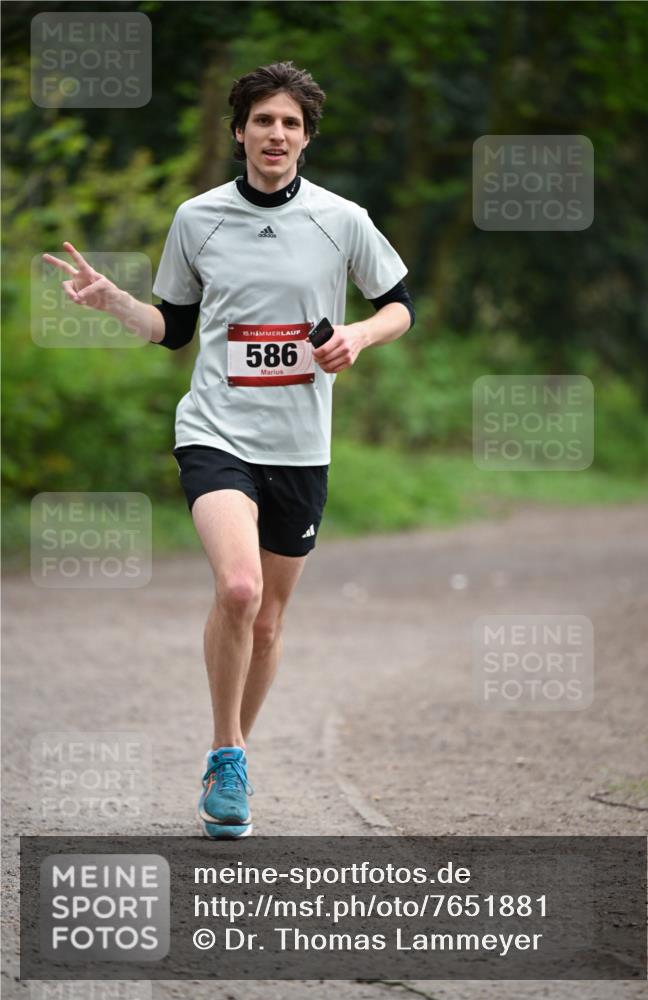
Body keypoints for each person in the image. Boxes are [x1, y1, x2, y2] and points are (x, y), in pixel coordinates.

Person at [42, 60, 415, 839]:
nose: (274, 134)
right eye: (261, 120)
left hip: (302, 444)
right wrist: (114, 301)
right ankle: (228, 751)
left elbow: (398, 305)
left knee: (270, 621)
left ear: (306, 138)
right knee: (239, 590)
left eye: (289, 123)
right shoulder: (197, 218)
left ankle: (226, 756)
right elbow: (172, 328)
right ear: (239, 130)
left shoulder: (341, 218)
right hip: (215, 430)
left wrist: (359, 336)